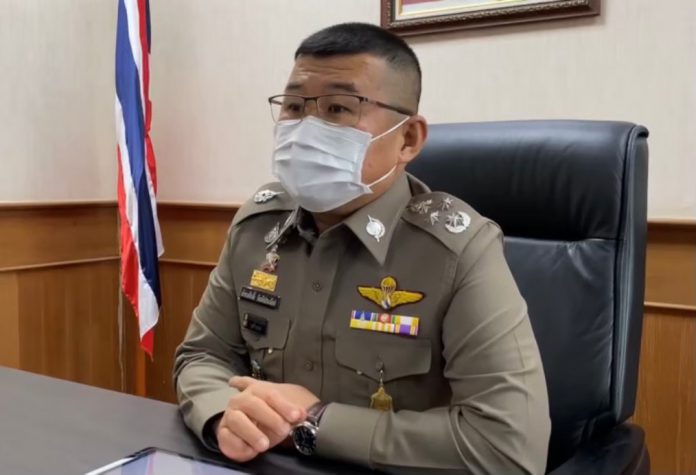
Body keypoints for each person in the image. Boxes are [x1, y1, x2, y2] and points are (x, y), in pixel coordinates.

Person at [174, 22, 550, 474]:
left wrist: (314, 423)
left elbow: (509, 447)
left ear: (407, 139)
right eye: (293, 106)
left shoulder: (458, 251)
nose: (305, 129)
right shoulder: (258, 226)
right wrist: (222, 414)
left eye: (338, 108)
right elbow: (202, 356)